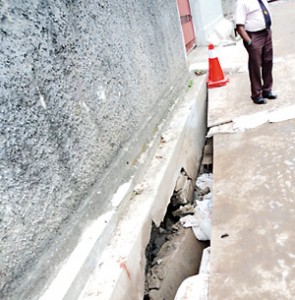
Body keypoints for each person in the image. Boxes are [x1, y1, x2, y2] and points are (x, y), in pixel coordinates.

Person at [234, 0, 277, 104]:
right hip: (254, 36)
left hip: (266, 33)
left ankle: (267, 90)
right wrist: (249, 42)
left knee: (268, 61)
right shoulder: (241, 2)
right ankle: (257, 95)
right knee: (255, 65)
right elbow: (239, 26)